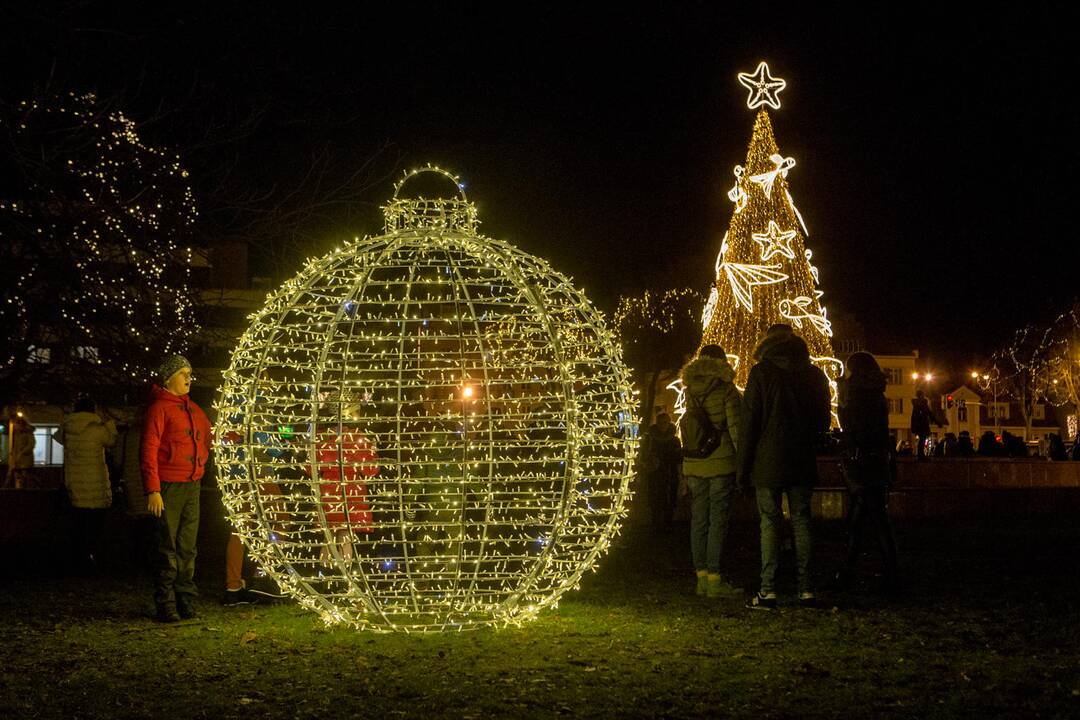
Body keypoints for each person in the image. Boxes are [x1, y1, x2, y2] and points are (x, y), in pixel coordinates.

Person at [738, 324, 830, 610]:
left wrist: (743, 468)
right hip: (801, 457)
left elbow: (749, 422)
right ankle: (806, 589)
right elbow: (822, 422)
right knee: (802, 520)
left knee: (769, 522)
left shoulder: (761, 373)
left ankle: (768, 590)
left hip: (767, 460)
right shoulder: (813, 375)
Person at [141, 355, 211, 623]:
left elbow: (207, 439)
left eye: (190, 372)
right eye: (184, 373)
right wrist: (153, 490)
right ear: (169, 378)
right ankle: (166, 602)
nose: (189, 378)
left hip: (192, 484)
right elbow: (148, 450)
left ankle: (185, 599)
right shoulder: (159, 409)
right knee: (167, 546)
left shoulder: (195, 410)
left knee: (187, 546)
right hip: (169, 487)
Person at [834, 352, 900, 594]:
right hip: (877, 462)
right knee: (865, 519)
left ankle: (884, 573)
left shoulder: (856, 396)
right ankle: (851, 571)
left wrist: (843, 404)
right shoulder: (877, 395)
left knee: (867, 520)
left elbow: (853, 428)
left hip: (862, 464)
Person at [680, 345, 742, 599]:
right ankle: (715, 578)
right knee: (717, 519)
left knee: (699, 520)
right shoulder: (726, 389)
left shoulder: (689, 390)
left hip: (694, 462)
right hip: (720, 461)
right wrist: (742, 460)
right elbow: (736, 427)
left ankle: (701, 578)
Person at [54, 397, 118, 573]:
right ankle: (89, 557)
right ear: (93, 410)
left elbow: (57, 437)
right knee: (94, 525)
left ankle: (76, 557)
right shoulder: (97, 429)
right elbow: (112, 441)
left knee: (77, 524)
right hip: (95, 484)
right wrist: (109, 423)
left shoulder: (67, 428)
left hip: (74, 483)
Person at [640, 412, 682, 531]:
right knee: (655, 500)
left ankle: (667, 524)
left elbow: (678, 458)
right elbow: (643, 457)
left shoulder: (674, 440)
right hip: (655, 474)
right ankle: (656, 524)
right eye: (660, 422)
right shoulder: (650, 440)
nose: (663, 425)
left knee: (669, 500)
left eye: (665, 423)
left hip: (670, 474)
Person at [6, 414, 36, 488]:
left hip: (25, 461)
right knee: (17, 479)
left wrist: (22, 452)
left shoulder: (28, 433)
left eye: (16, 424)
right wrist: (13, 458)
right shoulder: (17, 435)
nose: (15, 426)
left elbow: (31, 445)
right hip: (17, 461)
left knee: (25, 479)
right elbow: (15, 448)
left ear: (21, 424)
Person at [909, 390, 939, 460]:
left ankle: (921, 455)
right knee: (922, 439)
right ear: (921, 395)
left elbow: (914, 416)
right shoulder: (921, 404)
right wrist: (937, 422)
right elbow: (929, 413)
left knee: (921, 439)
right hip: (922, 425)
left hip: (919, 425)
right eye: (922, 395)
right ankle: (921, 455)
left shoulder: (917, 404)